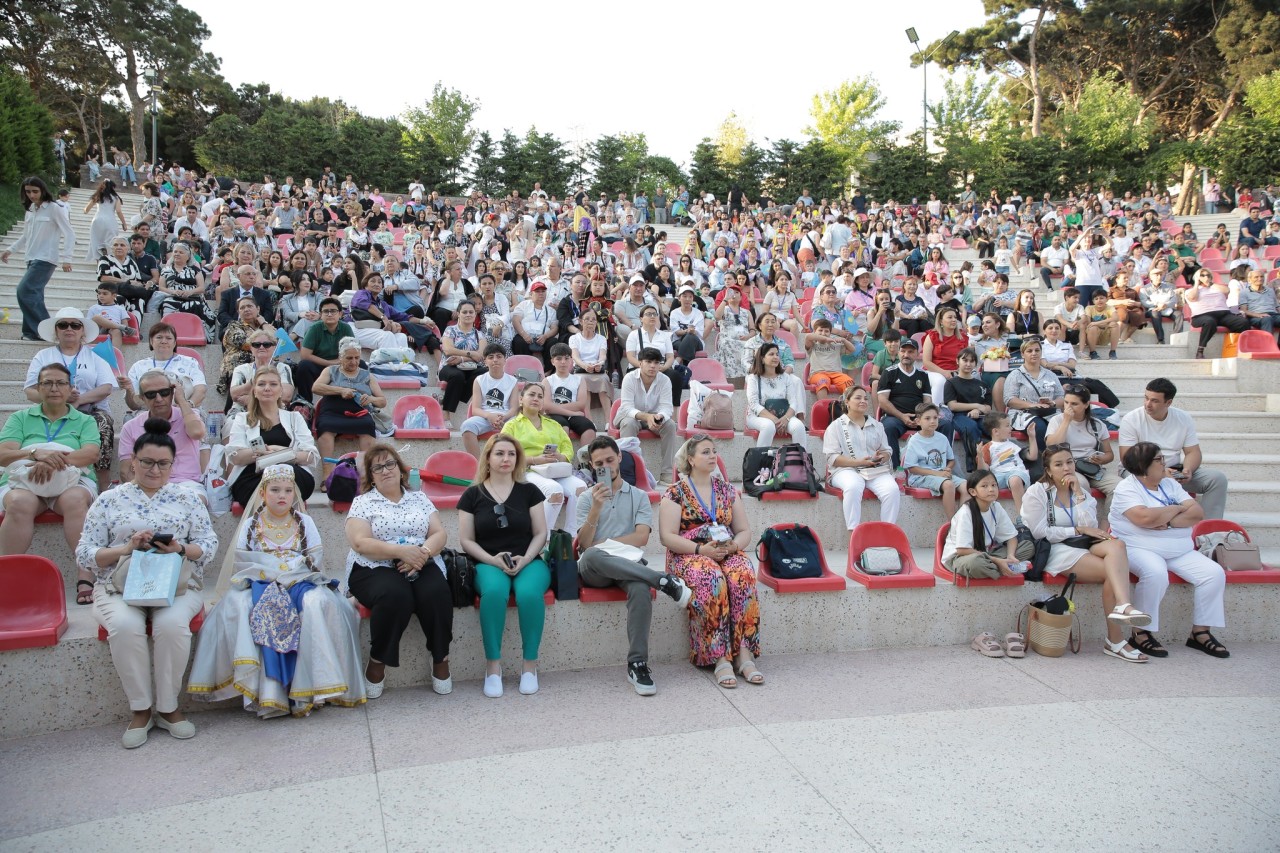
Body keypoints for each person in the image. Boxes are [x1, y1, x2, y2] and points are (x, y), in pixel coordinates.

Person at [76, 418, 218, 747]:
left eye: (163, 463)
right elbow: (84, 552)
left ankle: (168, 708)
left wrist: (179, 548)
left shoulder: (187, 498)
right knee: (125, 625)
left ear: (173, 464)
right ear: (133, 462)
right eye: (147, 462)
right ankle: (140, 709)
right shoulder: (109, 499)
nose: (155, 470)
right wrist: (125, 548)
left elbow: (208, 545)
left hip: (177, 584)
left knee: (172, 625)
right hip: (119, 585)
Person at [189, 465, 365, 715]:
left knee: (316, 602)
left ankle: (317, 685)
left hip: (300, 580)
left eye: (287, 490)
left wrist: (290, 572)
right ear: (262, 493)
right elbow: (243, 562)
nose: (282, 495)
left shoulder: (305, 522)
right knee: (245, 604)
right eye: (275, 490)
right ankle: (268, 692)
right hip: (261, 582)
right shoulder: (251, 524)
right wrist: (271, 574)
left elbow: (315, 559)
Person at [576, 436, 692, 695]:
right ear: (592, 466)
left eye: (609, 459)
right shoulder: (585, 498)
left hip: (628, 563)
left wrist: (603, 543)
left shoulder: (639, 496)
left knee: (640, 590)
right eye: (599, 464)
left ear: (619, 457)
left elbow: (641, 538)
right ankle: (661, 580)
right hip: (595, 568)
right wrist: (596, 508)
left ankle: (637, 664)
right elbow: (583, 544)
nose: (605, 466)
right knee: (592, 555)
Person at [1022, 444, 1152, 662]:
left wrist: (1079, 494)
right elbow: (1039, 532)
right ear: (1048, 469)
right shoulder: (1037, 492)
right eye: (1059, 464)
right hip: (1056, 549)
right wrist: (1077, 530)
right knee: (1114, 572)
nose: (1066, 468)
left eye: (1069, 462)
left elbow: (1091, 525)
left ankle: (1123, 606)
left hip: (1083, 543)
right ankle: (1116, 639)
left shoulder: (1080, 489)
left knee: (1118, 546)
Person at [346, 444, 453, 698]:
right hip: (374, 565)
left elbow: (439, 533)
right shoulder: (362, 502)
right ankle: (378, 660)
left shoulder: (419, 498)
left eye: (390, 464)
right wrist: (401, 552)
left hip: (420, 560)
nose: (385, 470)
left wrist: (422, 553)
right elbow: (360, 543)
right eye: (377, 467)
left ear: (400, 468)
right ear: (371, 476)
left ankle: (441, 657)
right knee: (395, 595)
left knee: (436, 593)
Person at [658, 435, 762, 689]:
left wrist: (733, 546)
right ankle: (719, 657)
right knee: (711, 577)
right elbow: (667, 537)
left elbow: (744, 531)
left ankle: (744, 653)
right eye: (705, 452)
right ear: (691, 460)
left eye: (714, 451)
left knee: (743, 573)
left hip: (724, 550)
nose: (713, 455)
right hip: (688, 554)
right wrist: (700, 549)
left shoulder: (727, 490)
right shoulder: (675, 493)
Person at [1109, 442, 1230, 660]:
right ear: (1143, 467)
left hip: (1179, 548)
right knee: (1156, 573)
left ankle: (1200, 633)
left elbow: (1197, 513)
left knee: (1213, 574)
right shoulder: (1127, 488)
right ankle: (1140, 633)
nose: (1164, 463)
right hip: (1138, 547)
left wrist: (1168, 521)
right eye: (1158, 459)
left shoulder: (1169, 483)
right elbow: (1144, 518)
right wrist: (1176, 508)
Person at [458, 434, 551, 698]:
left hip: (528, 559)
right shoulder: (472, 494)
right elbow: (466, 540)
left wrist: (527, 558)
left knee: (529, 594)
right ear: (488, 458)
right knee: (495, 593)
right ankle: (493, 667)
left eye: (511, 454)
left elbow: (540, 533)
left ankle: (529, 666)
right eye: (499, 453)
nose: (506, 459)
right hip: (487, 561)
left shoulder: (529, 491)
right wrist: (492, 560)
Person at [0, 363, 99, 601]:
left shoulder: (84, 420)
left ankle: (86, 575)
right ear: (38, 387)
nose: (54, 388)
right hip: (24, 482)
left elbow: (90, 454)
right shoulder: (20, 418)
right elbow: (3, 454)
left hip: (72, 480)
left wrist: (50, 462)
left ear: (70, 388)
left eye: (61, 383)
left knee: (76, 500)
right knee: (19, 503)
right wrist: (35, 453)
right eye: (47, 383)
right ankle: (5, 577)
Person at [25, 307, 118, 472]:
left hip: (89, 409)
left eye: (75, 325)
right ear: (56, 331)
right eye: (63, 325)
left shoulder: (95, 355)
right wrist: (61, 398)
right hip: (50, 409)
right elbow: (30, 391)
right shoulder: (43, 356)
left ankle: (101, 479)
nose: (69, 329)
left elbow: (106, 387)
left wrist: (79, 400)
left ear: (82, 331)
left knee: (102, 423)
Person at [1118, 378, 1227, 519]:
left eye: (1154, 401)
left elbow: (1193, 452)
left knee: (1217, 479)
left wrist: (1188, 470)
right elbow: (1127, 458)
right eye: (1146, 398)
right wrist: (1161, 473)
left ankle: (1209, 527)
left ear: (1168, 402)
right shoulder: (1131, 419)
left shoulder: (1183, 418)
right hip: (1140, 470)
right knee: (1148, 480)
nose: (1147, 404)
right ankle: (1159, 521)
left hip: (1174, 471)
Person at [224, 366, 319, 506]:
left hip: (290, 472)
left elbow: (310, 456)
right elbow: (236, 457)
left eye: (273, 384)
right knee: (272, 485)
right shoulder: (242, 418)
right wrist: (261, 451)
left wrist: (281, 452)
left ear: (281, 391)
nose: (267, 388)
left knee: (285, 479)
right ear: (254, 391)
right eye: (261, 384)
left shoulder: (295, 418)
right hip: (254, 476)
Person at [502, 382, 586, 535]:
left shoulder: (554, 424)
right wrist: (534, 460)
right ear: (521, 400)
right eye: (531, 395)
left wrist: (561, 456)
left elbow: (567, 447)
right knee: (555, 491)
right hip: (527, 470)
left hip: (555, 469)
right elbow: (505, 454)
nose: (536, 399)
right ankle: (542, 539)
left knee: (581, 488)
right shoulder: (511, 426)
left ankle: (572, 537)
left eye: (540, 396)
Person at [823, 384, 900, 531]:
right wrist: (858, 462)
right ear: (847, 402)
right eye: (858, 398)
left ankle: (887, 532)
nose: (863, 401)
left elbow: (886, 450)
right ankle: (854, 533)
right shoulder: (835, 426)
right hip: (845, 470)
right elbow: (832, 457)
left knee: (892, 489)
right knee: (853, 485)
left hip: (873, 469)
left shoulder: (877, 425)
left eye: (865, 398)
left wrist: (881, 457)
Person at [119, 370, 206, 497]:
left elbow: (197, 433)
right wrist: (144, 493)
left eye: (164, 392)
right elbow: (125, 472)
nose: (159, 399)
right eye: (151, 394)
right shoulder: (130, 427)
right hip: (145, 487)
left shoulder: (188, 415)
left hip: (185, 484)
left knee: (196, 500)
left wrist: (181, 400)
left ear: (172, 393)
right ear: (142, 398)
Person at [312, 337, 388, 482]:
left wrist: (370, 399)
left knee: (367, 425)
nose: (354, 362)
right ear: (341, 358)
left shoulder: (367, 376)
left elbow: (382, 401)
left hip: (359, 413)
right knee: (326, 427)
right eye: (349, 358)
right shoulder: (331, 371)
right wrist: (340, 390)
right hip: (332, 412)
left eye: (357, 358)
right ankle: (327, 474)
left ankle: (365, 474)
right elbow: (316, 387)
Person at [941, 470, 1036, 579]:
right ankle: (1001, 568)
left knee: (1028, 546)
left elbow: (1011, 538)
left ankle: (999, 567)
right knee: (976, 564)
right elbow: (962, 550)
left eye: (994, 485)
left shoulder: (996, 507)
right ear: (973, 492)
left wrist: (1010, 556)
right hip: (961, 557)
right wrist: (997, 561)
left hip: (986, 554)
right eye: (984, 486)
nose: (991, 489)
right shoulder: (965, 512)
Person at [616, 347, 679, 480]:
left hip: (654, 416)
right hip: (629, 416)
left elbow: (667, 407)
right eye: (648, 362)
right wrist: (647, 417)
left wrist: (659, 417)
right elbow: (627, 407)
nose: (653, 366)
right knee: (629, 423)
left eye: (656, 362)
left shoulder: (665, 380)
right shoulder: (629, 378)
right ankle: (629, 471)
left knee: (670, 425)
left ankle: (667, 472)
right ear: (640, 363)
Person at [1046, 384, 1119, 497]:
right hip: (1068, 468)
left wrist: (1101, 459)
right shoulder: (1056, 420)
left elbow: (1109, 454)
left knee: (1119, 486)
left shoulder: (1097, 424)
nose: (1068, 407)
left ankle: (1111, 510)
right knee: (1081, 485)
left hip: (1092, 467)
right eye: (1066, 402)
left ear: (1086, 404)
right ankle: (1084, 509)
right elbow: (1051, 446)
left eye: (1074, 404)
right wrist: (1066, 421)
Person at [877, 338, 934, 469]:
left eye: (910, 352)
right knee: (888, 428)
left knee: (945, 425)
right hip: (895, 417)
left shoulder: (923, 375)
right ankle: (896, 469)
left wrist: (921, 418)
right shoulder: (889, 372)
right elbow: (883, 401)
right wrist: (902, 416)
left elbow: (927, 401)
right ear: (898, 352)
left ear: (917, 354)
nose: (906, 355)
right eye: (903, 351)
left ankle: (940, 467)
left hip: (919, 417)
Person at [904, 403, 967, 517]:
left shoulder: (942, 438)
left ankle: (962, 520)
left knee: (966, 486)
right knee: (948, 485)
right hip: (921, 477)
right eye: (927, 418)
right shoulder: (914, 441)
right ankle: (952, 522)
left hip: (941, 474)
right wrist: (938, 474)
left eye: (935, 418)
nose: (932, 421)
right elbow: (912, 468)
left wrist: (947, 468)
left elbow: (951, 460)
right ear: (918, 421)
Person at [1003, 338, 1064, 454]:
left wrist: (1053, 403)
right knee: (1039, 427)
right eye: (1029, 351)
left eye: (1037, 350)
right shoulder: (1015, 375)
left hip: (1049, 412)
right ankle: (1043, 459)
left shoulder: (1051, 375)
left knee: (1062, 425)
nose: (1034, 353)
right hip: (1023, 413)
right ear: (1022, 354)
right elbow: (1009, 399)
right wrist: (1032, 405)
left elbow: (1061, 397)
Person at [745, 343, 806, 447]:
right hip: (757, 416)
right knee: (768, 426)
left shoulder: (785, 377)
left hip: (783, 416)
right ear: (762, 359)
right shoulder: (753, 378)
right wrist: (775, 421)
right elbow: (754, 405)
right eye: (771, 354)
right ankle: (761, 457)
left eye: (777, 354)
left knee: (799, 426)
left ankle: (800, 457)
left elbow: (793, 402)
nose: (775, 357)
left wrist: (786, 418)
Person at [295, 297, 355, 403]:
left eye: (333, 311)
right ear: (321, 314)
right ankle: (305, 403)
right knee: (303, 365)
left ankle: (358, 400)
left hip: (340, 366)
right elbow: (305, 355)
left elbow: (352, 352)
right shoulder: (314, 329)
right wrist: (329, 363)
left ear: (340, 314)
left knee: (361, 364)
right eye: (326, 311)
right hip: (318, 366)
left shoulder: (346, 328)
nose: (329, 314)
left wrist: (337, 363)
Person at [1184, 267, 1249, 359]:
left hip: (1223, 314)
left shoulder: (1216, 288)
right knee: (1209, 321)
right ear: (1197, 277)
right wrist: (1197, 284)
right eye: (1202, 275)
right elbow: (1192, 297)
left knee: (1242, 322)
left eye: (1208, 275)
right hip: (1201, 316)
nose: (1206, 277)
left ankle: (1238, 348)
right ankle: (1200, 350)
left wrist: (1210, 283)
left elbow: (1227, 290)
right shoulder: (1190, 290)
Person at [438, 302, 488, 417]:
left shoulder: (479, 334)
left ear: (475, 314)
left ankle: (459, 399)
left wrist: (461, 359)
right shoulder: (450, 330)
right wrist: (471, 354)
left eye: (471, 312)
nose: (468, 314)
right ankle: (446, 413)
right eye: (464, 312)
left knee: (484, 372)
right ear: (458, 314)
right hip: (449, 366)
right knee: (457, 376)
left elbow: (480, 355)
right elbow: (448, 350)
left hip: (471, 367)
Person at [542, 343, 598, 442]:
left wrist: (555, 407)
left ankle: (585, 452)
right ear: (552, 361)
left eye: (566, 358)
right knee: (563, 427)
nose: (563, 362)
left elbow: (581, 404)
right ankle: (563, 452)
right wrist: (572, 412)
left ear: (571, 360)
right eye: (559, 359)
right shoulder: (547, 381)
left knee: (589, 428)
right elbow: (547, 407)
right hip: (555, 415)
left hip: (572, 416)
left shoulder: (579, 380)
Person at [981, 412, 1034, 516]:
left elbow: (1032, 456)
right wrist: (979, 456)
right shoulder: (987, 447)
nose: (1011, 428)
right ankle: (989, 516)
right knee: (985, 485)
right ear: (996, 431)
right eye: (1007, 425)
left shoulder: (1014, 444)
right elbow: (983, 470)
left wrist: (1032, 437)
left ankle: (1022, 516)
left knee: (1014, 480)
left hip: (1016, 472)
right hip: (998, 475)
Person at [84, 179, 128, 260]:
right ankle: (109, 260)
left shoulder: (98, 196)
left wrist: (85, 211)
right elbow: (118, 211)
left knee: (96, 241)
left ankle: (99, 262)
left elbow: (86, 210)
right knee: (110, 242)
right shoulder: (116, 198)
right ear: (112, 187)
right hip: (110, 221)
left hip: (97, 220)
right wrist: (124, 223)